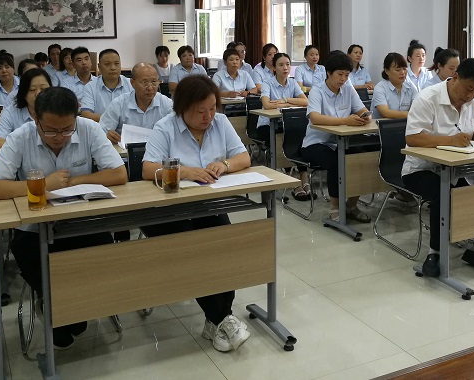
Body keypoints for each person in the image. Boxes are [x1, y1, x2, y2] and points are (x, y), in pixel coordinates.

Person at [0, 87, 127, 350]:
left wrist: (75, 181)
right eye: (50, 130)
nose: (59, 137)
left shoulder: (88, 129)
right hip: (35, 228)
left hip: (80, 223)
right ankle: (56, 304)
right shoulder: (20, 137)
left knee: (102, 251)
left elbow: (118, 173)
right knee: (28, 254)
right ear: (35, 119)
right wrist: (42, 185)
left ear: (75, 119)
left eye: (67, 129)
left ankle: (69, 307)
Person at [141, 75, 251, 353]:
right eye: (200, 111)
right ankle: (223, 319)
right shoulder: (165, 127)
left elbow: (243, 157)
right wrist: (185, 172)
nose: (208, 116)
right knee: (195, 250)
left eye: (212, 108)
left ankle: (217, 321)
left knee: (223, 247)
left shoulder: (220, 122)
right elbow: (147, 169)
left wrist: (225, 165)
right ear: (182, 108)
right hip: (169, 210)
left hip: (208, 204)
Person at [401, 58, 474, 277]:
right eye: (468, 89)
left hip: (459, 169)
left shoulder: (472, 101)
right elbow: (412, 138)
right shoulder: (427, 98)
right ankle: (435, 254)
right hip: (422, 169)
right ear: (455, 76)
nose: (470, 96)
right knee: (444, 192)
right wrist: (450, 140)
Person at [300, 52, 372, 222]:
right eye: (340, 74)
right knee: (337, 162)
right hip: (316, 143)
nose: (343, 79)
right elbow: (315, 118)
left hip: (342, 142)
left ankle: (351, 205)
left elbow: (363, 110)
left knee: (361, 158)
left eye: (346, 75)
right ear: (328, 73)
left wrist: (365, 117)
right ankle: (335, 208)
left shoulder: (348, 89)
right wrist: (345, 121)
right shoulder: (317, 91)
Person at [259, 52, 310, 199]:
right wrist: (290, 103)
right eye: (281, 65)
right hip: (267, 125)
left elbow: (306, 101)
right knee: (284, 140)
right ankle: (293, 180)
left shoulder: (292, 83)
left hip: (287, 124)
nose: (285, 68)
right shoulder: (267, 83)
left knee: (300, 136)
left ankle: (304, 177)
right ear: (274, 68)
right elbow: (267, 105)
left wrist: (285, 100)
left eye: (287, 64)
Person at [100, 62, 173, 143]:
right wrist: (107, 135)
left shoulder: (166, 104)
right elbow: (101, 131)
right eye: (144, 82)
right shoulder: (119, 104)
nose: (150, 88)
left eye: (154, 82)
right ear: (132, 83)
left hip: (158, 149)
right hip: (125, 150)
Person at [0, 68, 53, 152]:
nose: (38, 93)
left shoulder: (60, 109)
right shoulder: (11, 112)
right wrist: (29, 151)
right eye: (32, 89)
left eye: (43, 89)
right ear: (23, 93)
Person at [80, 49, 131, 122]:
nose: (113, 68)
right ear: (99, 67)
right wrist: (111, 120)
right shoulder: (90, 87)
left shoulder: (131, 84)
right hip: (100, 127)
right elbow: (86, 114)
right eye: (107, 64)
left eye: (116, 63)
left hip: (127, 127)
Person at [371, 52, 418, 119]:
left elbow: (418, 108)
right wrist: (411, 115)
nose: (402, 72)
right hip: (384, 125)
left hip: (407, 124)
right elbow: (385, 113)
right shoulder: (380, 88)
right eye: (398, 70)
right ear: (387, 71)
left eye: (404, 69)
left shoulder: (410, 86)